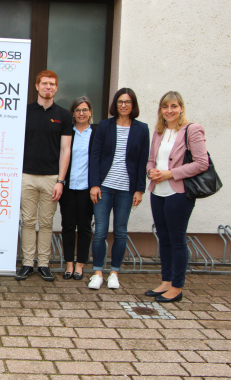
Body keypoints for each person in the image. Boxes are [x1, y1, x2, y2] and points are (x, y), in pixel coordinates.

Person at [146, 91, 208, 302]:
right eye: (165, 107)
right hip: (158, 191)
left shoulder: (192, 130)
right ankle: (166, 281)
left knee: (177, 239)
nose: (169, 111)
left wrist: (170, 173)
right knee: (164, 239)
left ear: (181, 107)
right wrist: (151, 172)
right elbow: (151, 160)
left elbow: (202, 163)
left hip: (178, 192)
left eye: (173, 106)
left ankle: (177, 287)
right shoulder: (159, 131)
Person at [88, 88, 149, 290]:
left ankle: (114, 272)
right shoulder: (105, 126)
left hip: (126, 189)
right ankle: (97, 273)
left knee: (121, 232)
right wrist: (94, 184)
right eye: (121, 101)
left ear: (134, 105)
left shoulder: (142, 129)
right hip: (104, 187)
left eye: (128, 102)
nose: (124, 105)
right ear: (115, 104)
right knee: (100, 231)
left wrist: (140, 189)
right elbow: (94, 157)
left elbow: (142, 161)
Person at [16, 70, 73, 282]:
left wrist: (60, 180)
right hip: (27, 175)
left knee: (46, 223)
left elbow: (66, 150)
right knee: (28, 221)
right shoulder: (25, 111)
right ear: (37, 86)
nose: (48, 87)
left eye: (52, 84)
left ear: (56, 88)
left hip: (51, 178)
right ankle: (27, 263)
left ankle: (44, 264)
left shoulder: (63, 115)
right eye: (44, 84)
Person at [59, 96, 97, 280]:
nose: (81, 113)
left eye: (85, 110)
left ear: (90, 112)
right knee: (67, 226)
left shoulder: (96, 134)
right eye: (78, 110)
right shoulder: (67, 133)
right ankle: (69, 264)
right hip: (68, 187)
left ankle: (80, 265)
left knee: (84, 228)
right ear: (72, 113)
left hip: (86, 188)